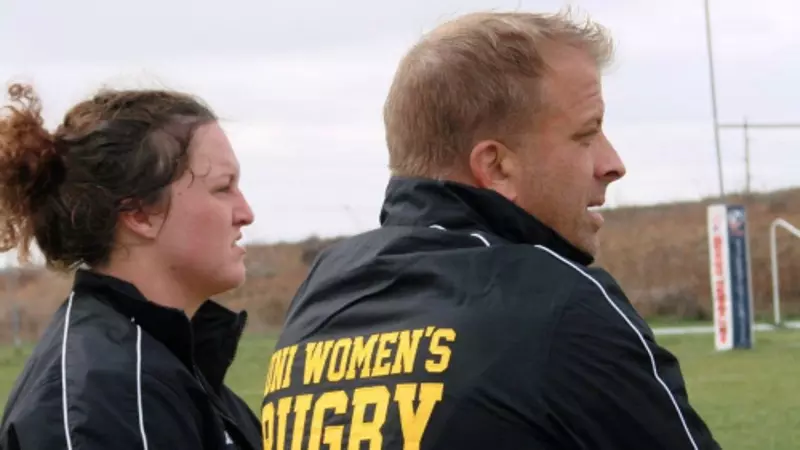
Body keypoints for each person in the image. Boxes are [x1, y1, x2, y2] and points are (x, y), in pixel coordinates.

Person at [261, 9, 721, 450]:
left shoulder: (325, 292)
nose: (613, 164)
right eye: (586, 135)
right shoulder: (558, 303)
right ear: (496, 166)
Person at [0, 82, 261, 449]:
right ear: (139, 213)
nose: (246, 213)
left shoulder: (165, 370)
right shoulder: (102, 399)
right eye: (223, 187)